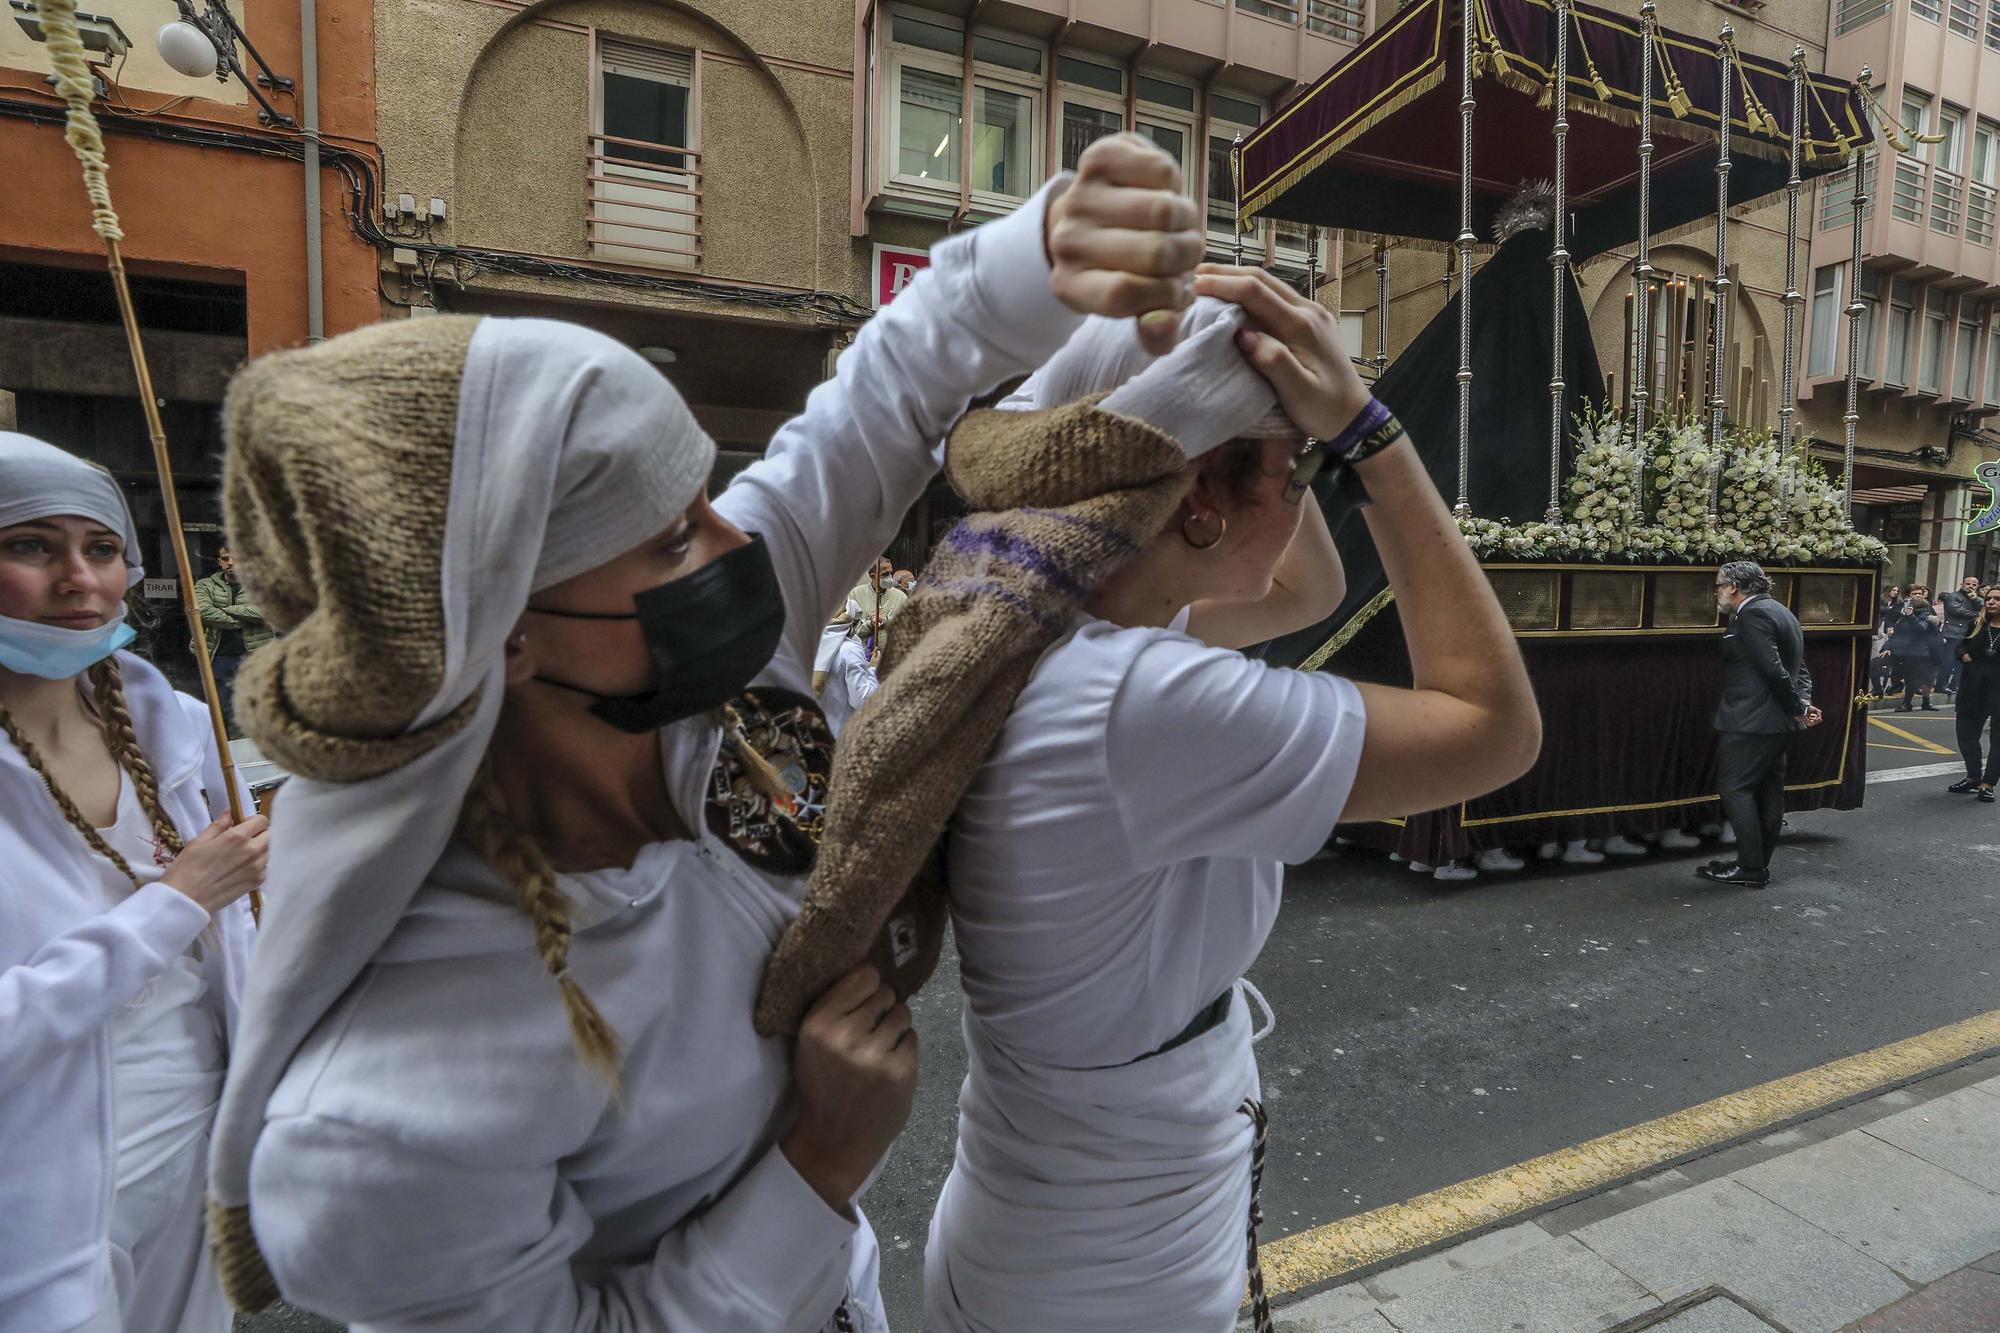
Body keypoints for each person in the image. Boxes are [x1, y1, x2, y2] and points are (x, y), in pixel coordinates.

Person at [202, 135, 1210, 1331]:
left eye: (704, 500)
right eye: (674, 538)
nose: (742, 549)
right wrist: (816, 1166)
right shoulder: (375, 1114)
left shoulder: (684, 680)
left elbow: (876, 403)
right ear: (500, 636)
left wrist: (1030, 257)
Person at [917, 272, 1541, 1330]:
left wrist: (1236, 402)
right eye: (1296, 472)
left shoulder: (1051, 625)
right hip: (1103, 1276)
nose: (1308, 490)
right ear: (1203, 495)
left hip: (1067, 1228)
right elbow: (1494, 724)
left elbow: (1307, 593)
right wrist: (1368, 433)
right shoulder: (1136, 703)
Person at [0, 432, 266, 1333]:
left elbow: (228, 951)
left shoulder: (176, 731)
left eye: (101, 547)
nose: (80, 579)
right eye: (30, 546)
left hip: (200, 1154)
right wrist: (174, 904)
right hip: (40, 1208)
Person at [1698, 561, 1821, 888]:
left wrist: (1798, 706)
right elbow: (1800, 668)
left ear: (1734, 587)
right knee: (1768, 791)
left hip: (1751, 720)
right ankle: (1755, 864)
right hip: (1777, 722)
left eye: (1719, 586)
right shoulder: (1782, 612)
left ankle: (1751, 868)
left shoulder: (1750, 615)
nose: (1718, 593)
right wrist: (1802, 704)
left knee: (1736, 788)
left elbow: (1774, 670)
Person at [191, 543, 272, 732]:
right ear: (220, 562)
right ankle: (232, 750)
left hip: (256, 655)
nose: (231, 562)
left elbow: (266, 611)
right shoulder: (205, 585)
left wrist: (226, 610)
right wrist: (240, 620)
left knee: (258, 704)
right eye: (226, 558)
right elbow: (202, 611)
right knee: (224, 706)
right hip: (220, 655)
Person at [1948, 587, 2000, 802]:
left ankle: (1988, 783)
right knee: (1966, 734)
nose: (1991, 602)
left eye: (1997, 599)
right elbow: (1960, 645)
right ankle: (1973, 777)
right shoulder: (1976, 624)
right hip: (1973, 687)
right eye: (1989, 598)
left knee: (1998, 740)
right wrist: (1963, 654)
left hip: (1998, 689)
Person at [1884, 586, 1945, 712]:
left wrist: (1911, 617)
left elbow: (1921, 627)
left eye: (1919, 594)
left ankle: (1925, 702)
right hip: (1912, 651)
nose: (1916, 596)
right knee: (1910, 678)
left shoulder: (1926, 615)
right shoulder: (1903, 616)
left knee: (1927, 678)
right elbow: (1897, 631)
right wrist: (1888, 645)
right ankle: (1907, 701)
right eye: (1914, 594)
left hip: (1928, 651)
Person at [1939, 574, 1982, 696]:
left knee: (1961, 661)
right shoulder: (1953, 596)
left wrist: (1976, 599)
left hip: (1968, 634)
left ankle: (1955, 684)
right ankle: (1941, 684)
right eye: (1968, 584)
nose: (1971, 587)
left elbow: (1984, 608)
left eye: (1974, 585)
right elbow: (1956, 610)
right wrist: (1976, 614)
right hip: (1953, 633)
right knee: (1948, 660)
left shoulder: (1973, 597)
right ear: (1962, 584)